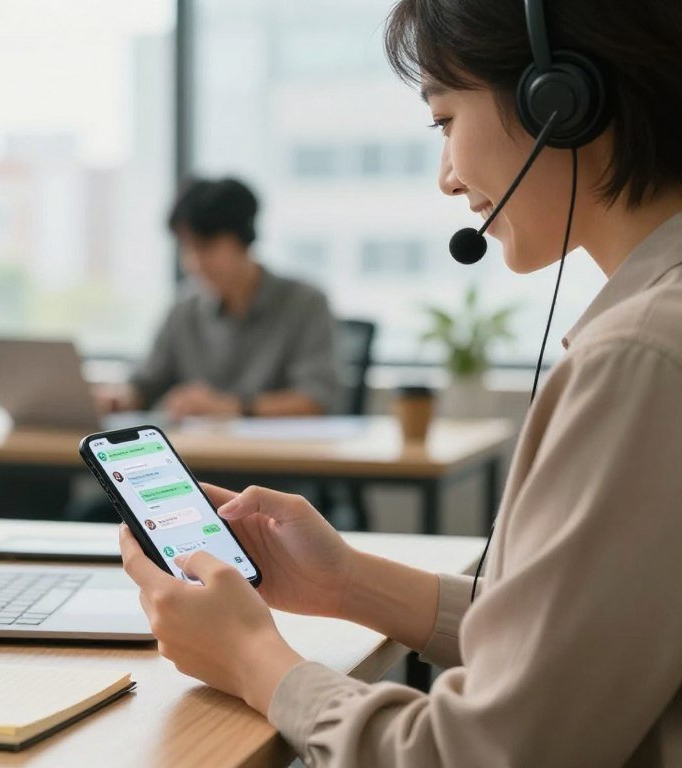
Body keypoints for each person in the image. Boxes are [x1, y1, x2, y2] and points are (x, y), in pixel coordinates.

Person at [118, 1, 682, 765]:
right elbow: (580, 637)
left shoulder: (643, 356)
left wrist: (256, 661)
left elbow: (481, 753)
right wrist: (345, 583)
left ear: (560, 100)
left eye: (444, 120)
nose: (447, 177)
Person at [96, 177, 341, 420]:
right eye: (186, 247)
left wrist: (230, 407)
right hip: (199, 453)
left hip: (279, 455)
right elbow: (147, 383)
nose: (194, 262)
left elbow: (316, 399)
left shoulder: (305, 304)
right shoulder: (184, 308)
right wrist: (122, 397)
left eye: (206, 247)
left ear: (243, 239)